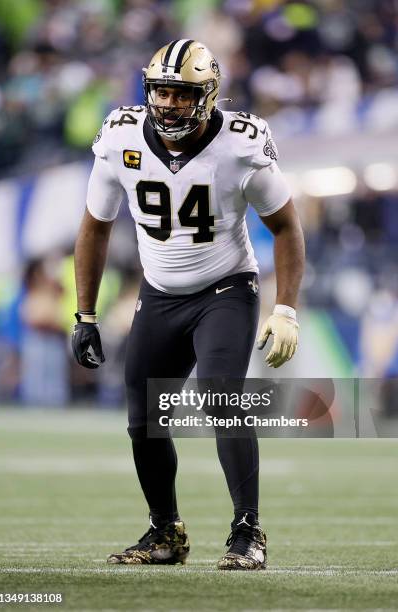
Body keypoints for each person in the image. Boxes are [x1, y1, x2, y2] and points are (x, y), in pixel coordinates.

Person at [72, 39, 304, 570]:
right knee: (143, 416)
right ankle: (165, 533)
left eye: (181, 93)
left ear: (208, 95)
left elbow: (287, 226)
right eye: (161, 91)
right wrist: (85, 314)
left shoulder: (241, 142)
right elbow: (94, 227)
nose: (169, 103)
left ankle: (248, 532)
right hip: (159, 293)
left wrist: (285, 307)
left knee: (220, 397)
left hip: (225, 287)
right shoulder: (120, 136)